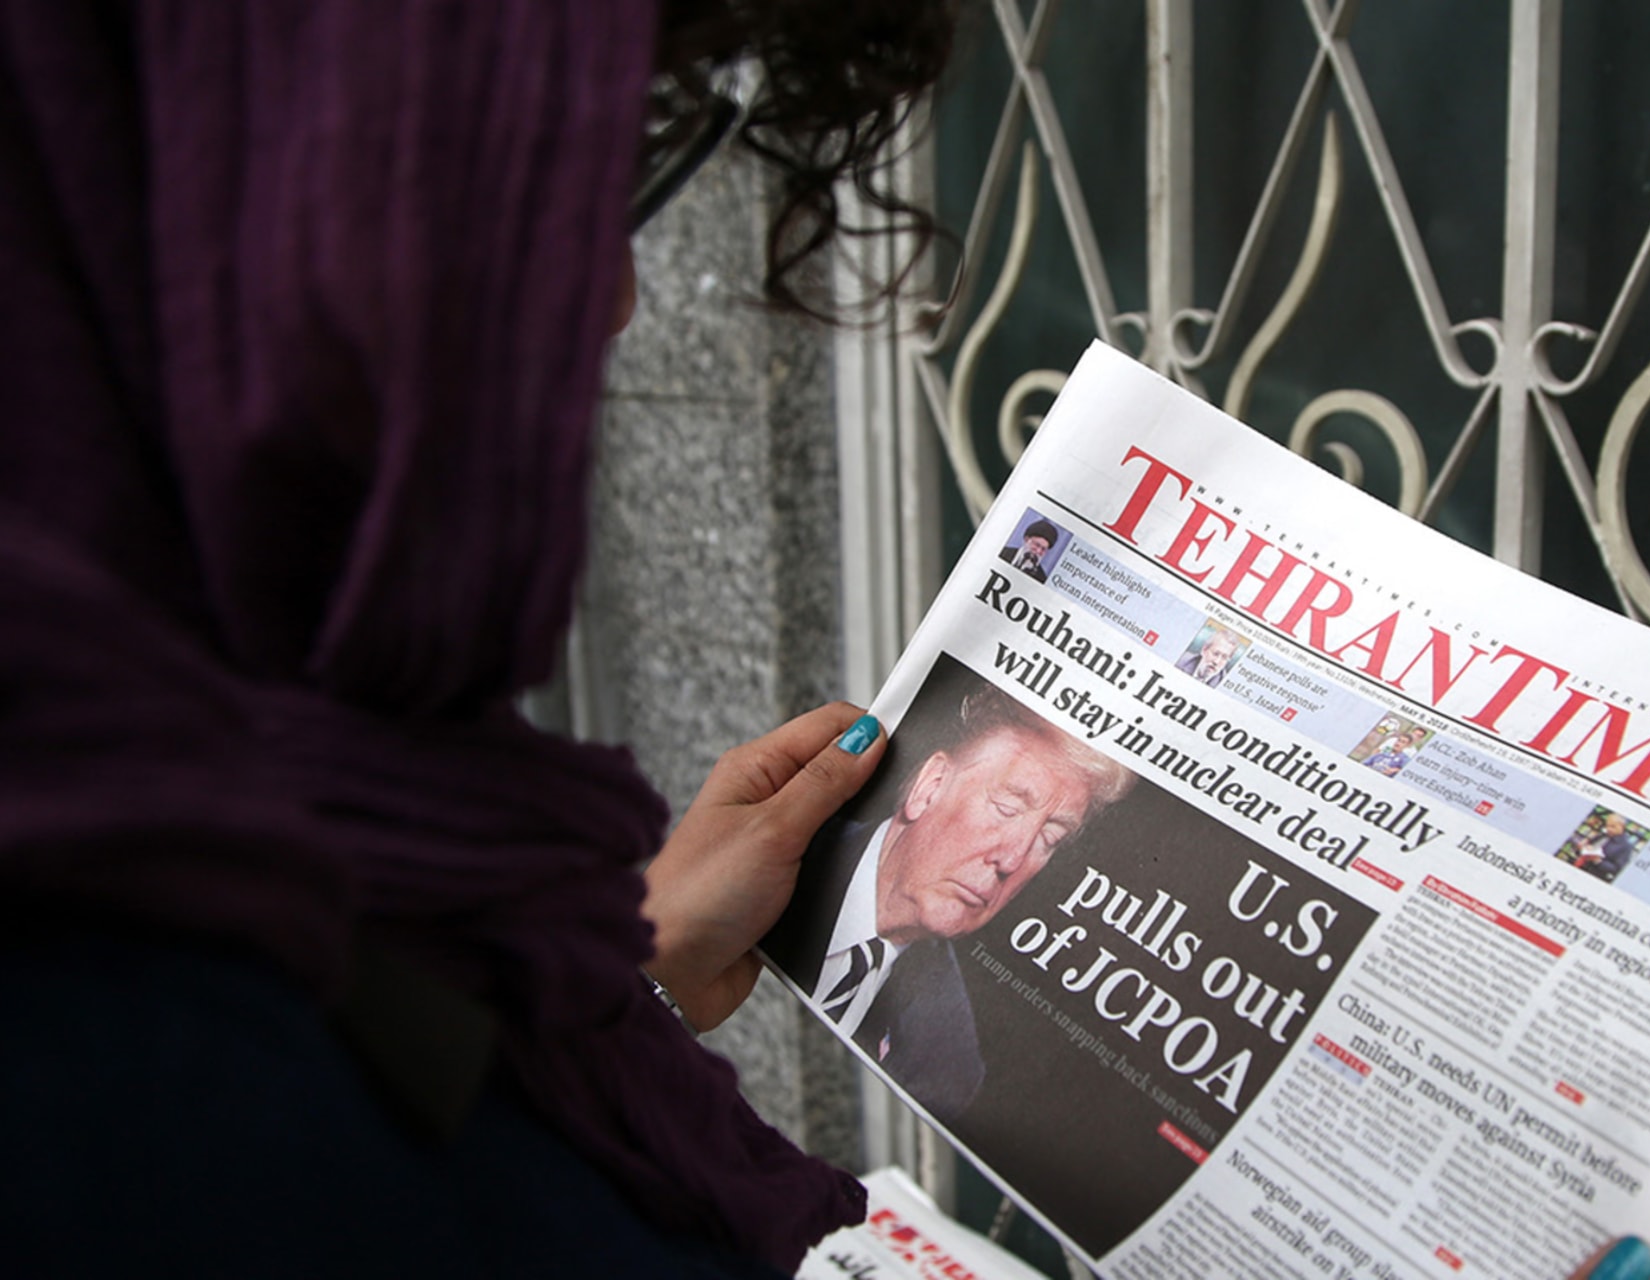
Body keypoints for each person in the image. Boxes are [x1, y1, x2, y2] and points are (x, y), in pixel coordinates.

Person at [0, 2, 954, 1275]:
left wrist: (642, 959)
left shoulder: (276, 795)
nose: (612, 301)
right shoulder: (107, 1048)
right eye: (516, 187)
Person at [763, 683, 1134, 1119]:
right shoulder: (776, 867)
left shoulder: (951, 1061)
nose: (1012, 858)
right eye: (1006, 806)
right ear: (929, 787)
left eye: (1049, 838)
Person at [1574, 813, 1642, 883]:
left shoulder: (1625, 846)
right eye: (1607, 826)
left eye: (1613, 826)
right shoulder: (1602, 835)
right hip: (1578, 869)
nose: (1609, 829)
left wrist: (1598, 860)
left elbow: (1617, 870)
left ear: (1622, 827)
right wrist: (1581, 848)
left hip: (1595, 878)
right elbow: (1580, 851)